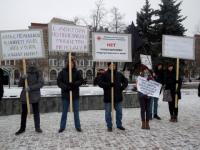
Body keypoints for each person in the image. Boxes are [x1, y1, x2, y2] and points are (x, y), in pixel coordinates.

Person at [98, 62, 128, 132]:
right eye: (111, 65)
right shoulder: (104, 74)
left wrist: (122, 87)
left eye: (114, 65)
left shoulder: (119, 74)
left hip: (118, 97)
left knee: (119, 112)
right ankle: (109, 126)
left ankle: (119, 124)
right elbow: (100, 83)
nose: (113, 66)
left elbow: (125, 81)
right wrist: (108, 84)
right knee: (108, 113)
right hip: (108, 97)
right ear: (108, 66)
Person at [15, 62, 44, 135]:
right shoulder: (25, 72)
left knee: (36, 112)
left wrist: (30, 88)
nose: (31, 65)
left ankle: (37, 127)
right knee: (24, 113)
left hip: (35, 95)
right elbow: (20, 85)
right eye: (30, 64)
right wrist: (22, 78)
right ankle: (22, 128)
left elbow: (40, 84)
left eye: (33, 63)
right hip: (26, 95)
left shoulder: (38, 73)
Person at [57, 56, 84, 133]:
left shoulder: (77, 72)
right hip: (65, 95)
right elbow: (59, 82)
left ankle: (78, 126)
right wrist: (66, 87)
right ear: (67, 64)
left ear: (74, 64)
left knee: (76, 112)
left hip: (75, 95)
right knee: (64, 112)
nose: (71, 64)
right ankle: (62, 127)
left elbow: (81, 80)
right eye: (69, 63)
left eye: (72, 63)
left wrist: (74, 84)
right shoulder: (62, 72)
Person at [137, 64, 153, 129]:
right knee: (143, 109)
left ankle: (147, 123)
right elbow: (138, 85)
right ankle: (143, 123)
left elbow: (154, 85)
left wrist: (152, 79)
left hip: (149, 95)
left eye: (147, 69)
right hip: (141, 96)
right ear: (142, 70)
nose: (146, 71)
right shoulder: (140, 77)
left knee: (148, 110)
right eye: (144, 70)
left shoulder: (151, 76)